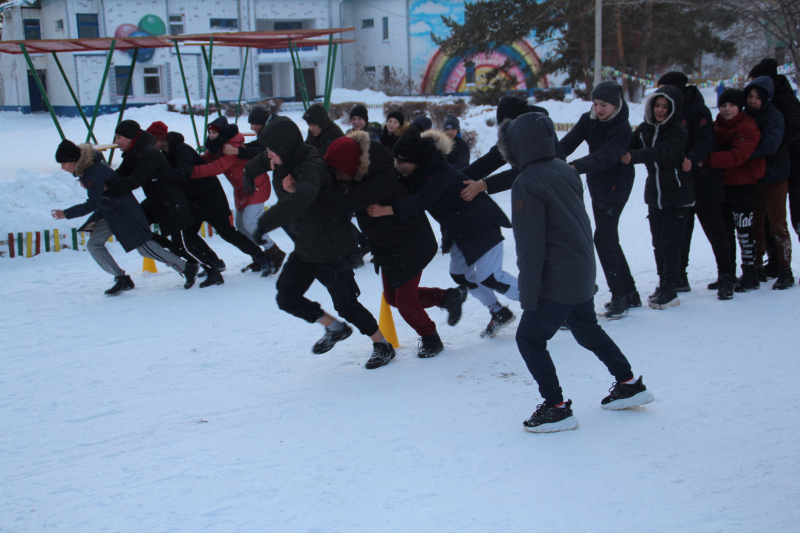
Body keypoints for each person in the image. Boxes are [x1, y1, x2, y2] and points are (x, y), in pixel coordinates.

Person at [501, 112, 653, 433]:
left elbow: (531, 246)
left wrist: (528, 294)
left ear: (516, 147)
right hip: (582, 270)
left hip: (557, 278)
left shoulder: (526, 182)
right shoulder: (564, 170)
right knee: (587, 329)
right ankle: (629, 383)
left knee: (529, 338)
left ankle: (556, 408)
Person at [245, 116, 394, 364]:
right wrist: (249, 174)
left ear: (285, 148)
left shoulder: (309, 168)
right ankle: (336, 328)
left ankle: (383, 345)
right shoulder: (284, 159)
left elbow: (303, 198)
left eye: (272, 151)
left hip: (332, 250)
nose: (268, 156)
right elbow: (262, 160)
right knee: (286, 297)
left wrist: (264, 224)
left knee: (347, 305)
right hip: (306, 248)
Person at [320, 132, 467, 359]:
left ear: (351, 167)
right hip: (388, 246)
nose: (337, 178)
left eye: (339, 173)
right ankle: (447, 298)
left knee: (406, 303)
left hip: (410, 245)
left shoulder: (380, 180)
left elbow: (345, 204)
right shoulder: (362, 175)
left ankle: (431, 338)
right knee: (392, 299)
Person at [368, 124, 519, 339]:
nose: (398, 165)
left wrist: (386, 210)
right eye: (396, 160)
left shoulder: (437, 173)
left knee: (491, 276)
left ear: (416, 160)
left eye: (402, 161)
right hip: (460, 230)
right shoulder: (419, 172)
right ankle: (498, 311)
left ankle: (542, 304)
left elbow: (422, 201)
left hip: (481, 225)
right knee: (460, 275)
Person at [51, 140, 198, 294]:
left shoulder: (93, 171)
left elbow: (92, 203)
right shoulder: (88, 170)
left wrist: (66, 214)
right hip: (109, 212)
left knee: (145, 248)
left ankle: (187, 267)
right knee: (94, 244)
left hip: (125, 212)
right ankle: (121, 278)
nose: (63, 168)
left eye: (64, 163)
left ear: (74, 160)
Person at [105, 120, 224, 286]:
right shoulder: (135, 152)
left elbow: (135, 180)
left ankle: (213, 271)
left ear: (131, 137)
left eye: (119, 137)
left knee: (183, 244)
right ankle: (190, 265)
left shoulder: (147, 152)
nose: (116, 142)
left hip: (171, 203)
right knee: (144, 230)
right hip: (158, 202)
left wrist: (107, 187)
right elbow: (121, 174)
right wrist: (101, 180)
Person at [559, 81, 640, 317]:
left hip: (617, 186)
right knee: (609, 239)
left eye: (604, 104)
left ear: (615, 104)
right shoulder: (589, 119)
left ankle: (619, 296)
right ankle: (631, 293)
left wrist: (575, 167)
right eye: (595, 103)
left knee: (603, 239)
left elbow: (606, 156)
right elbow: (568, 142)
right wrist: (548, 157)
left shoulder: (623, 127)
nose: (599, 108)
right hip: (596, 185)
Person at [657, 72, 734, 301]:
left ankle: (727, 276)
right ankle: (680, 275)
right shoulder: (667, 110)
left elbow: (705, 140)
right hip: (679, 182)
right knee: (682, 231)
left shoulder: (697, 109)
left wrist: (691, 159)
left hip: (703, 180)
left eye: (663, 88)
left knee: (716, 231)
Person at [182, 118, 286, 276]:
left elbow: (215, 168)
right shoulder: (217, 148)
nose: (211, 135)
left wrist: (187, 172)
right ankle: (259, 258)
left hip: (256, 187)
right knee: (241, 227)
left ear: (222, 133)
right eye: (209, 132)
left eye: (214, 132)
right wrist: (186, 164)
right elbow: (205, 160)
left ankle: (274, 252)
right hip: (242, 190)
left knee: (250, 223)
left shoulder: (231, 148)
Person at [622, 85, 693, 309]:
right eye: (657, 105)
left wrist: (633, 156)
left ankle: (670, 288)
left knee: (669, 244)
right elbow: (628, 144)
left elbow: (661, 152)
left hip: (678, 194)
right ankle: (663, 283)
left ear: (673, 109)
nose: (660, 110)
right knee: (658, 244)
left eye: (665, 106)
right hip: (655, 195)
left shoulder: (678, 131)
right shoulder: (645, 128)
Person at [702, 89, 763, 293]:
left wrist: (707, 160)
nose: (727, 109)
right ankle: (727, 274)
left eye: (731, 105)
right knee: (725, 232)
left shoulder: (747, 127)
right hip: (722, 185)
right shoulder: (716, 125)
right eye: (723, 105)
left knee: (744, 232)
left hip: (743, 184)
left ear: (740, 107)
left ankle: (751, 274)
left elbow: (737, 156)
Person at [743, 76, 793, 289]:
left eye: (757, 97)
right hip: (752, 178)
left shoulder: (774, 116)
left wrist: (740, 153)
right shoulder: (745, 116)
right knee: (754, 226)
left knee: (778, 224)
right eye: (750, 96)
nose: (753, 101)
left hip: (775, 177)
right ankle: (755, 268)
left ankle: (785, 269)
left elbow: (769, 145)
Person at [459, 95, 552, 201]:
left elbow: (527, 171)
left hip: (553, 197)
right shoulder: (519, 133)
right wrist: (455, 177)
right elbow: (489, 161)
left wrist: (483, 185)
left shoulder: (541, 136)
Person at [749, 59, 800, 249]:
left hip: (792, 164)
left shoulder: (784, 99)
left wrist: (774, 143)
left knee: (793, 218)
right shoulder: (761, 101)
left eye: (755, 78)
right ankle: (775, 263)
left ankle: (782, 266)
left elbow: (794, 130)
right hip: (774, 166)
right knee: (768, 219)